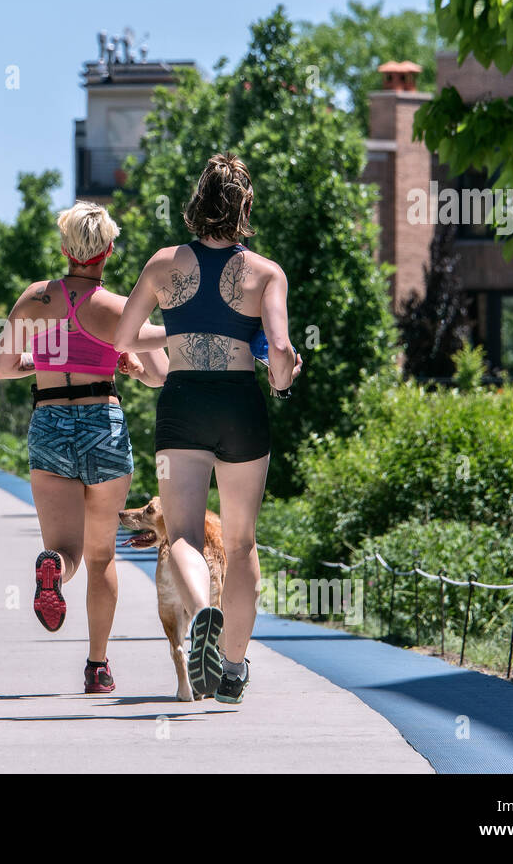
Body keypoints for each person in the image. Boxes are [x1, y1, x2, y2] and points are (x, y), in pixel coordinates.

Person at [115, 153, 302, 704]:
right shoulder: (266, 273)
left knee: (185, 537)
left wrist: (173, 339)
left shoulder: (161, 265)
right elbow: (283, 350)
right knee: (241, 543)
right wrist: (285, 379)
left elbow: (126, 337)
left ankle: (201, 614)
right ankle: (235, 668)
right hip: (241, 407)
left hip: (183, 406)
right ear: (245, 207)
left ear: (197, 203)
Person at [0, 200, 168, 694]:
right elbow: (159, 376)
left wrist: (42, 364)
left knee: (64, 549)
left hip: (49, 420)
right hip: (102, 422)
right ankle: (97, 667)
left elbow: (3, 367)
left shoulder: (34, 300)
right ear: (107, 250)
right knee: (101, 556)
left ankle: (53, 571)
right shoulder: (117, 309)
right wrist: (126, 363)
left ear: (65, 247)